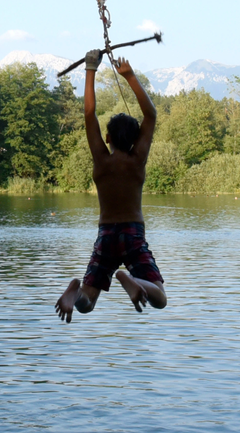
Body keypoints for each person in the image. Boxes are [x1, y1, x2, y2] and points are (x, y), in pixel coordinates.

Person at [56, 50, 167, 323]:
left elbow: (89, 114)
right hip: (132, 234)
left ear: (107, 138)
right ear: (135, 138)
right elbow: (150, 115)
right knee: (160, 299)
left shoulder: (101, 160)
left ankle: (75, 291)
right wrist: (128, 75)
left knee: (87, 304)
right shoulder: (137, 160)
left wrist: (91, 68)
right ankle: (134, 281)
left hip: (105, 235)